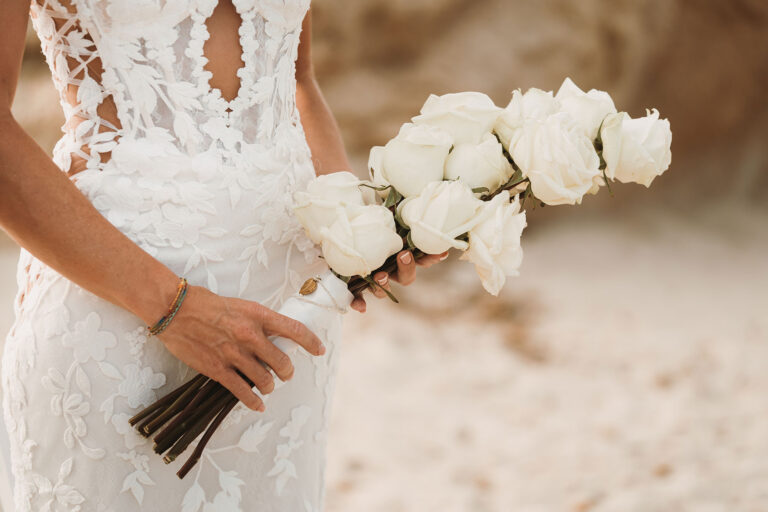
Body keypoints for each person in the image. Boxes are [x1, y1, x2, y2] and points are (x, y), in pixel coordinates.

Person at [0, 1, 444, 510]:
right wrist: (173, 308)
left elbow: (298, 82)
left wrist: (359, 231)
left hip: (284, 327)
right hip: (117, 317)